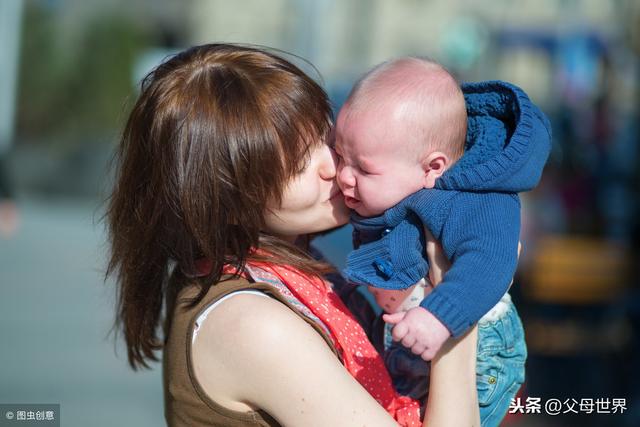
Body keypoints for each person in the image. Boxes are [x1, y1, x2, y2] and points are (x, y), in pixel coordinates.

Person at [106, 44, 482, 427]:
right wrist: (457, 307)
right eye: (297, 164)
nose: (333, 163)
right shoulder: (253, 324)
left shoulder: (275, 277)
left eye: (323, 132)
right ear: (227, 201)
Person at [333, 57, 551, 426]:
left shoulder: (475, 199)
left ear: (432, 168)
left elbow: (490, 262)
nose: (343, 177)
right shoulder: (402, 185)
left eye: (364, 169)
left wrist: (439, 318)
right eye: (340, 157)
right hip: (414, 337)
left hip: (480, 349)